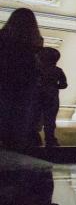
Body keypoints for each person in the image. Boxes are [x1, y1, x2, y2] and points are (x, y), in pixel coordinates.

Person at [0, 8, 43, 151]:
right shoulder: (34, 42)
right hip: (25, 83)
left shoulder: (3, 37)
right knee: (21, 115)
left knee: (5, 111)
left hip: (6, 81)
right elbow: (35, 66)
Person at [37, 47, 67, 148]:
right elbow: (64, 85)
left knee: (36, 118)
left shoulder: (38, 70)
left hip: (39, 96)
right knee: (50, 120)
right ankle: (50, 139)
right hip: (52, 97)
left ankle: (35, 137)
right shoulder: (58, 70)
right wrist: (54, 86)